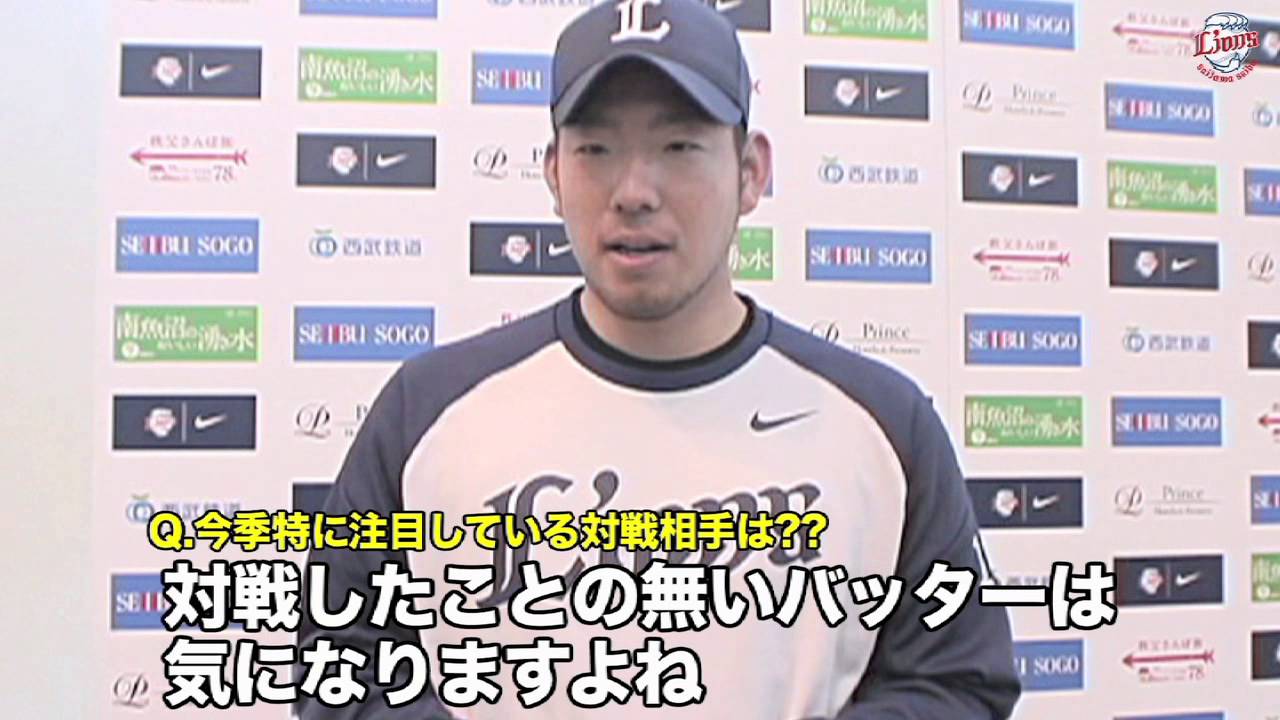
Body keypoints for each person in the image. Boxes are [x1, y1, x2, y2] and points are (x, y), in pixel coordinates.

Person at [295, 1, 1021, 717]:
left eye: (678, 147)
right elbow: (339, 671)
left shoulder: (883, 424)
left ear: (751, 172)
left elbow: (959, 682)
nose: (634, 193)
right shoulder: (427, 411)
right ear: (553, 173)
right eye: (596, 150)